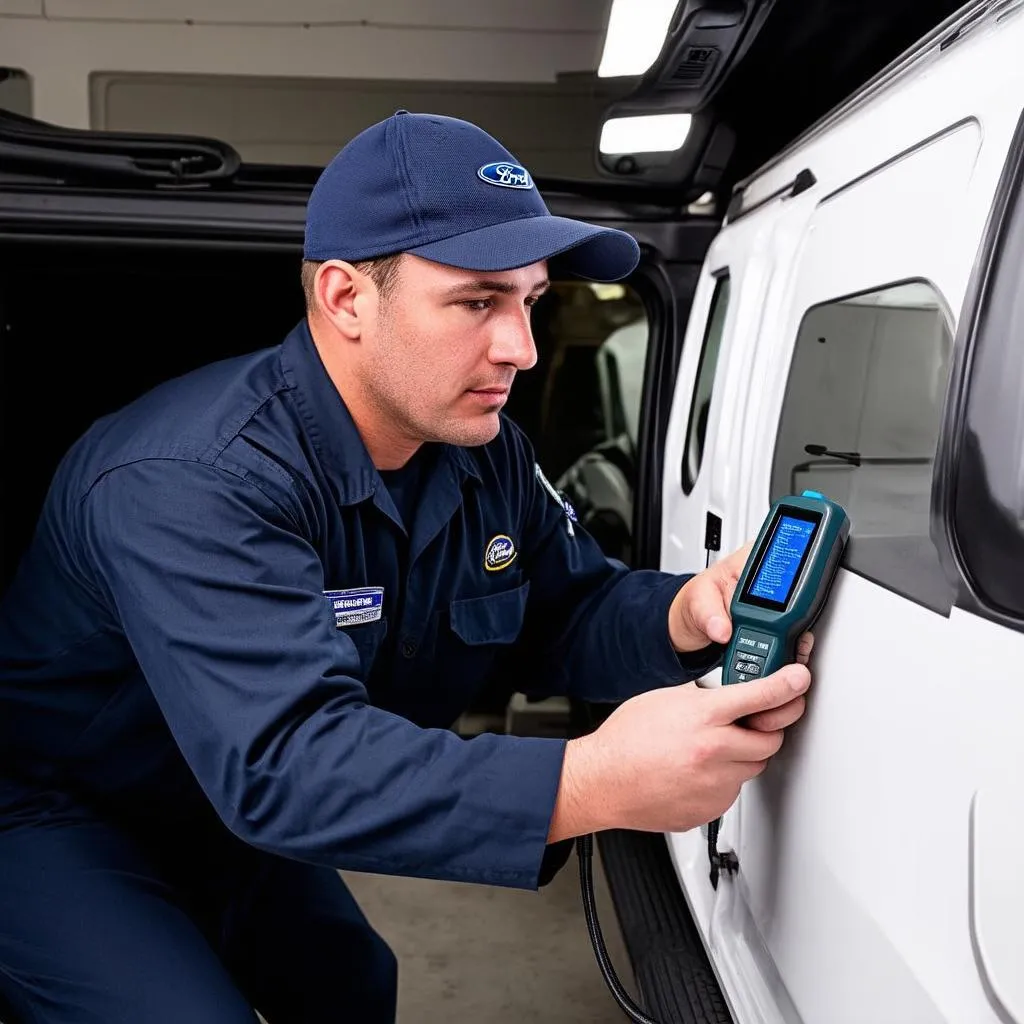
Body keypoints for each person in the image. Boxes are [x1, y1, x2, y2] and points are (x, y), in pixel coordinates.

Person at [0, 111, 812, 1024]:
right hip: (58, 810)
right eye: (477, 302)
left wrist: (687, 613)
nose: (522, 348)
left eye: (531, 302)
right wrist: (589, 782)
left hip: (219, 808)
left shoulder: (481, 448)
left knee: (349, 985)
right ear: (347, 299)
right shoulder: (190, 479)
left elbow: (565, 610)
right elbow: (286, 764)